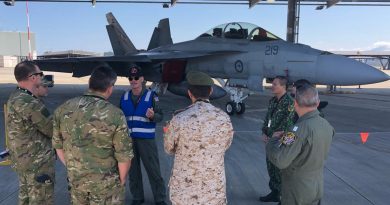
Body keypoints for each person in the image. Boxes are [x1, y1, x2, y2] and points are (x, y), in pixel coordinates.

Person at [52, 65, 133, 204]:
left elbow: (58, 146)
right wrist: (122, 180)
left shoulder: (62, 109)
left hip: (77, 182)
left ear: (90, 83)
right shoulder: (115, 114)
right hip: (106, 187)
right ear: (110, 88)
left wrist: (74, 168)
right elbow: (124, 156)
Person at [164, 71, 234, 205]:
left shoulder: (179, 119)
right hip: (213, 191)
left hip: (185, 192)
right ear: (211, 91)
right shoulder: (224, 118)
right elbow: (226, 145)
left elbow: (169, 149)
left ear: (189, 93)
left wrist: (169, 132)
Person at [266, 84, 334, 205]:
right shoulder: (326, 125)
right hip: (316, 188)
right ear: (318, 103)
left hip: (297, 193)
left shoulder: (296, 130)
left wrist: (271, 141)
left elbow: (281, 160)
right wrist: (287, 136)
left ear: (295, 103)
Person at [6, 61, 55, 205]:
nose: (42, 77)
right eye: (40, 74)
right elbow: (51, 128)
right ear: (33, 77)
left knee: (26, 198)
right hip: (37, 163)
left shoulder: (16, 96)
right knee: (41, 200)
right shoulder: (29, 102)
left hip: (23, 161)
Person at [119, 65, 166, 205]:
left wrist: (153, 116)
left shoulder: (151, 96)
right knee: (133, 171)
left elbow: (160, 116)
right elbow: (119, 117)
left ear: (142, 79)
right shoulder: (124, 96)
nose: (133, 80)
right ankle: (137, 198)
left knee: (153, 171)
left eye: (136, 78)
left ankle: (160, 199)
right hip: (129, 140)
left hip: (146, 141)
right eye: (130, 78)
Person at [260, 76, 295, 203]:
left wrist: (274, 135)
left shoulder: (290, 102)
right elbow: (267, 118)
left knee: (281, 169)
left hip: (282, 140)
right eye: (272, 84)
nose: (272, 86)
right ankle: (275, 192)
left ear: (283, 86)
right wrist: (264, 132)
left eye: (275, 84)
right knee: (271, 167)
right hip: (270, 139)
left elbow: (288, 122)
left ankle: (283, 197)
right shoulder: (273, 101)